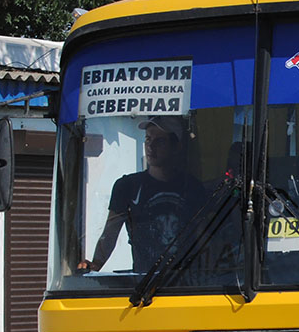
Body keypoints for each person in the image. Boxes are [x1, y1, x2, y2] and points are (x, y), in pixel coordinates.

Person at [78, 115, 206, 273]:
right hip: (143, 285)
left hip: (188, 286)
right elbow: (110, 234)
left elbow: (203, 240)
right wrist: (95, 266)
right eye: (148, 139)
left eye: (160, 141)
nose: (151, 146)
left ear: (176, 146)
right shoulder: (126, 187)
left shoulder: (193, 188)